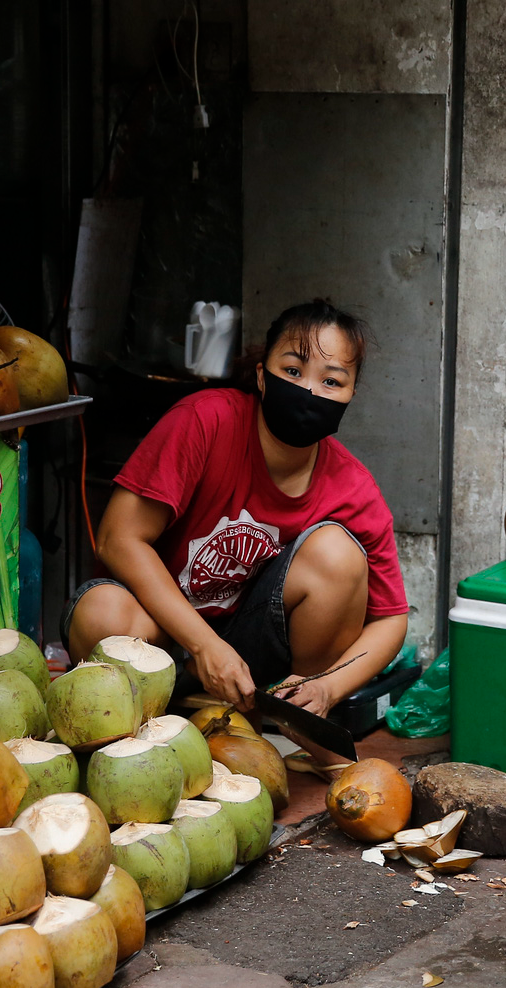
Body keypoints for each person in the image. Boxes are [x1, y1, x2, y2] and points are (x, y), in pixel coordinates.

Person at [64, 299, 410, 752]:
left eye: (331, 381)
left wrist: (328, 688)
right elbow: (118, 538)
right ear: (263, 376)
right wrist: (204, 647)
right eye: (293, 370)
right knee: (100, 613)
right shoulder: (205, 421)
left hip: (249, 652)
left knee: (337, 555)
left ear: (349, 397)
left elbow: (391, 619)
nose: (309, 390)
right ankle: (136, 735)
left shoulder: (352, 486)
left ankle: (290, 725)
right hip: (155, 634)